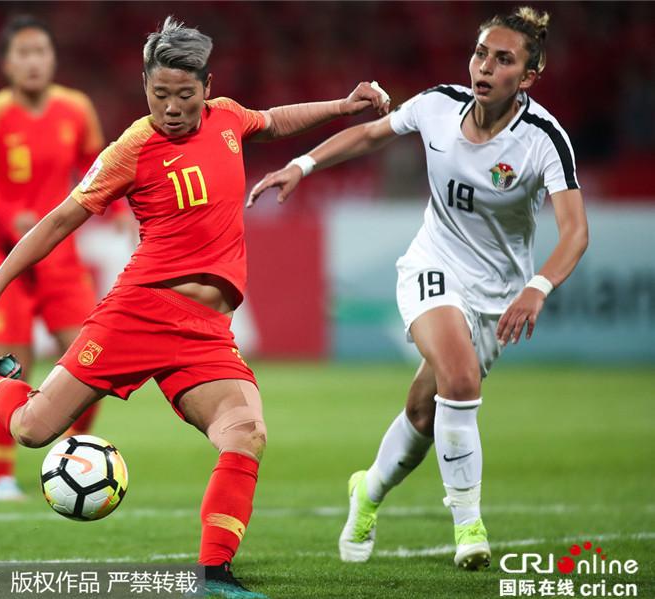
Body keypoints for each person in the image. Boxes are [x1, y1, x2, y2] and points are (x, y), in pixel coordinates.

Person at [0, 16, 389, 598]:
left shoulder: (228, 118)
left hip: (206, 331)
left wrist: (343, 106)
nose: (172, 108)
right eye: (160, 95)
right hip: (140, 313)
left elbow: (274, 120)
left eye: (184, 94)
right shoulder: (131, 148)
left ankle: (214, 574)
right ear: (144, 87)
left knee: (245, 433)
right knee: (32, 429)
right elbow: (59, 219)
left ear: (208, 87)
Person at [248, 6, 588, 571]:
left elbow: (575, 232)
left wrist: (537, 287)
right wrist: (302, 165)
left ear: (528, 77)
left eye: (503, 60)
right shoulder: (438, 105)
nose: (485, 67)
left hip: (497, 294)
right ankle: (469, 525)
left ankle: (368, 491)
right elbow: (370, 133)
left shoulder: (543, 139)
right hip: (433, 265)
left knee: (425, 412)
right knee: (460, 377)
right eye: (480, 53)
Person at [0, 15, 105, 502]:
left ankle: (72, 455)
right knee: (12, 365)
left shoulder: (76, 108)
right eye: (23, 53)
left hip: (61, 259)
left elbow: (99, 165)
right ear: (6, 64)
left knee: (90, 360)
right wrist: (10, 218)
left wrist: (123, 207)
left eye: (41, 51)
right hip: (7, 261)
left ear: (53, 58)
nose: (33, 62)